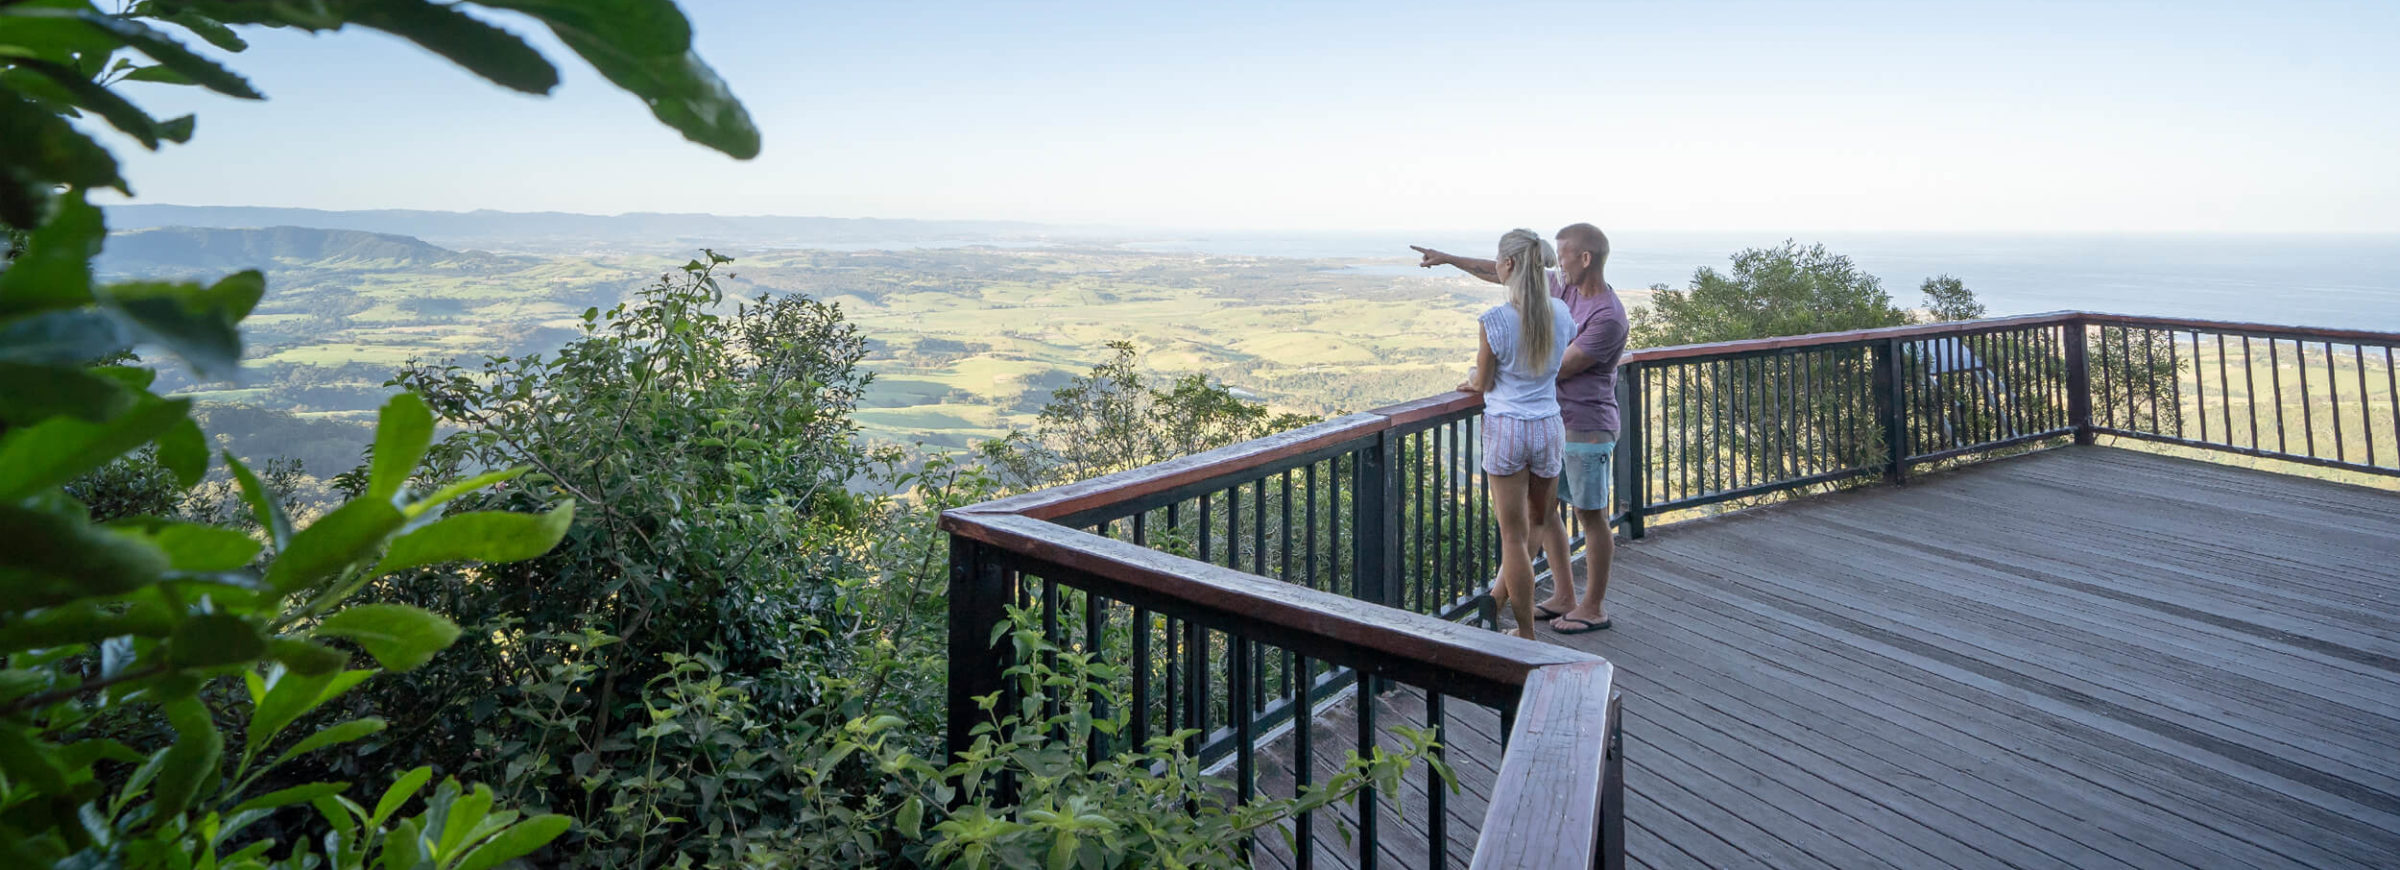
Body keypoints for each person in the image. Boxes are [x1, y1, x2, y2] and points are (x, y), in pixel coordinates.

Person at [1414, 223, 1627, 634]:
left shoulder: (1606, 316)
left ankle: (1585, 608)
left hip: (1582, 427)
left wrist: (1482, 372)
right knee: (1548, 519)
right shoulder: (1563, 301)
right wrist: (1449, 258)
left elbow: (1548, 367)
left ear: (1584, 258)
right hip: (1551, 425)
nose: (1556, 263)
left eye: (1563, 255)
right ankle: (1561, 596)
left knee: (1579, 518)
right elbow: (1503, 272)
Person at [1450, 229, 1576, 640]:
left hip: (1507, 429)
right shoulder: (1560, 312)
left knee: (1513, 536)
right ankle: (1501, 603)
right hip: (1548, 427)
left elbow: (1484, 382)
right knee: (1537, 523)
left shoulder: (1495, 321)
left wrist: (1472, 379)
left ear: (1506, 266)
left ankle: (1525, 633)